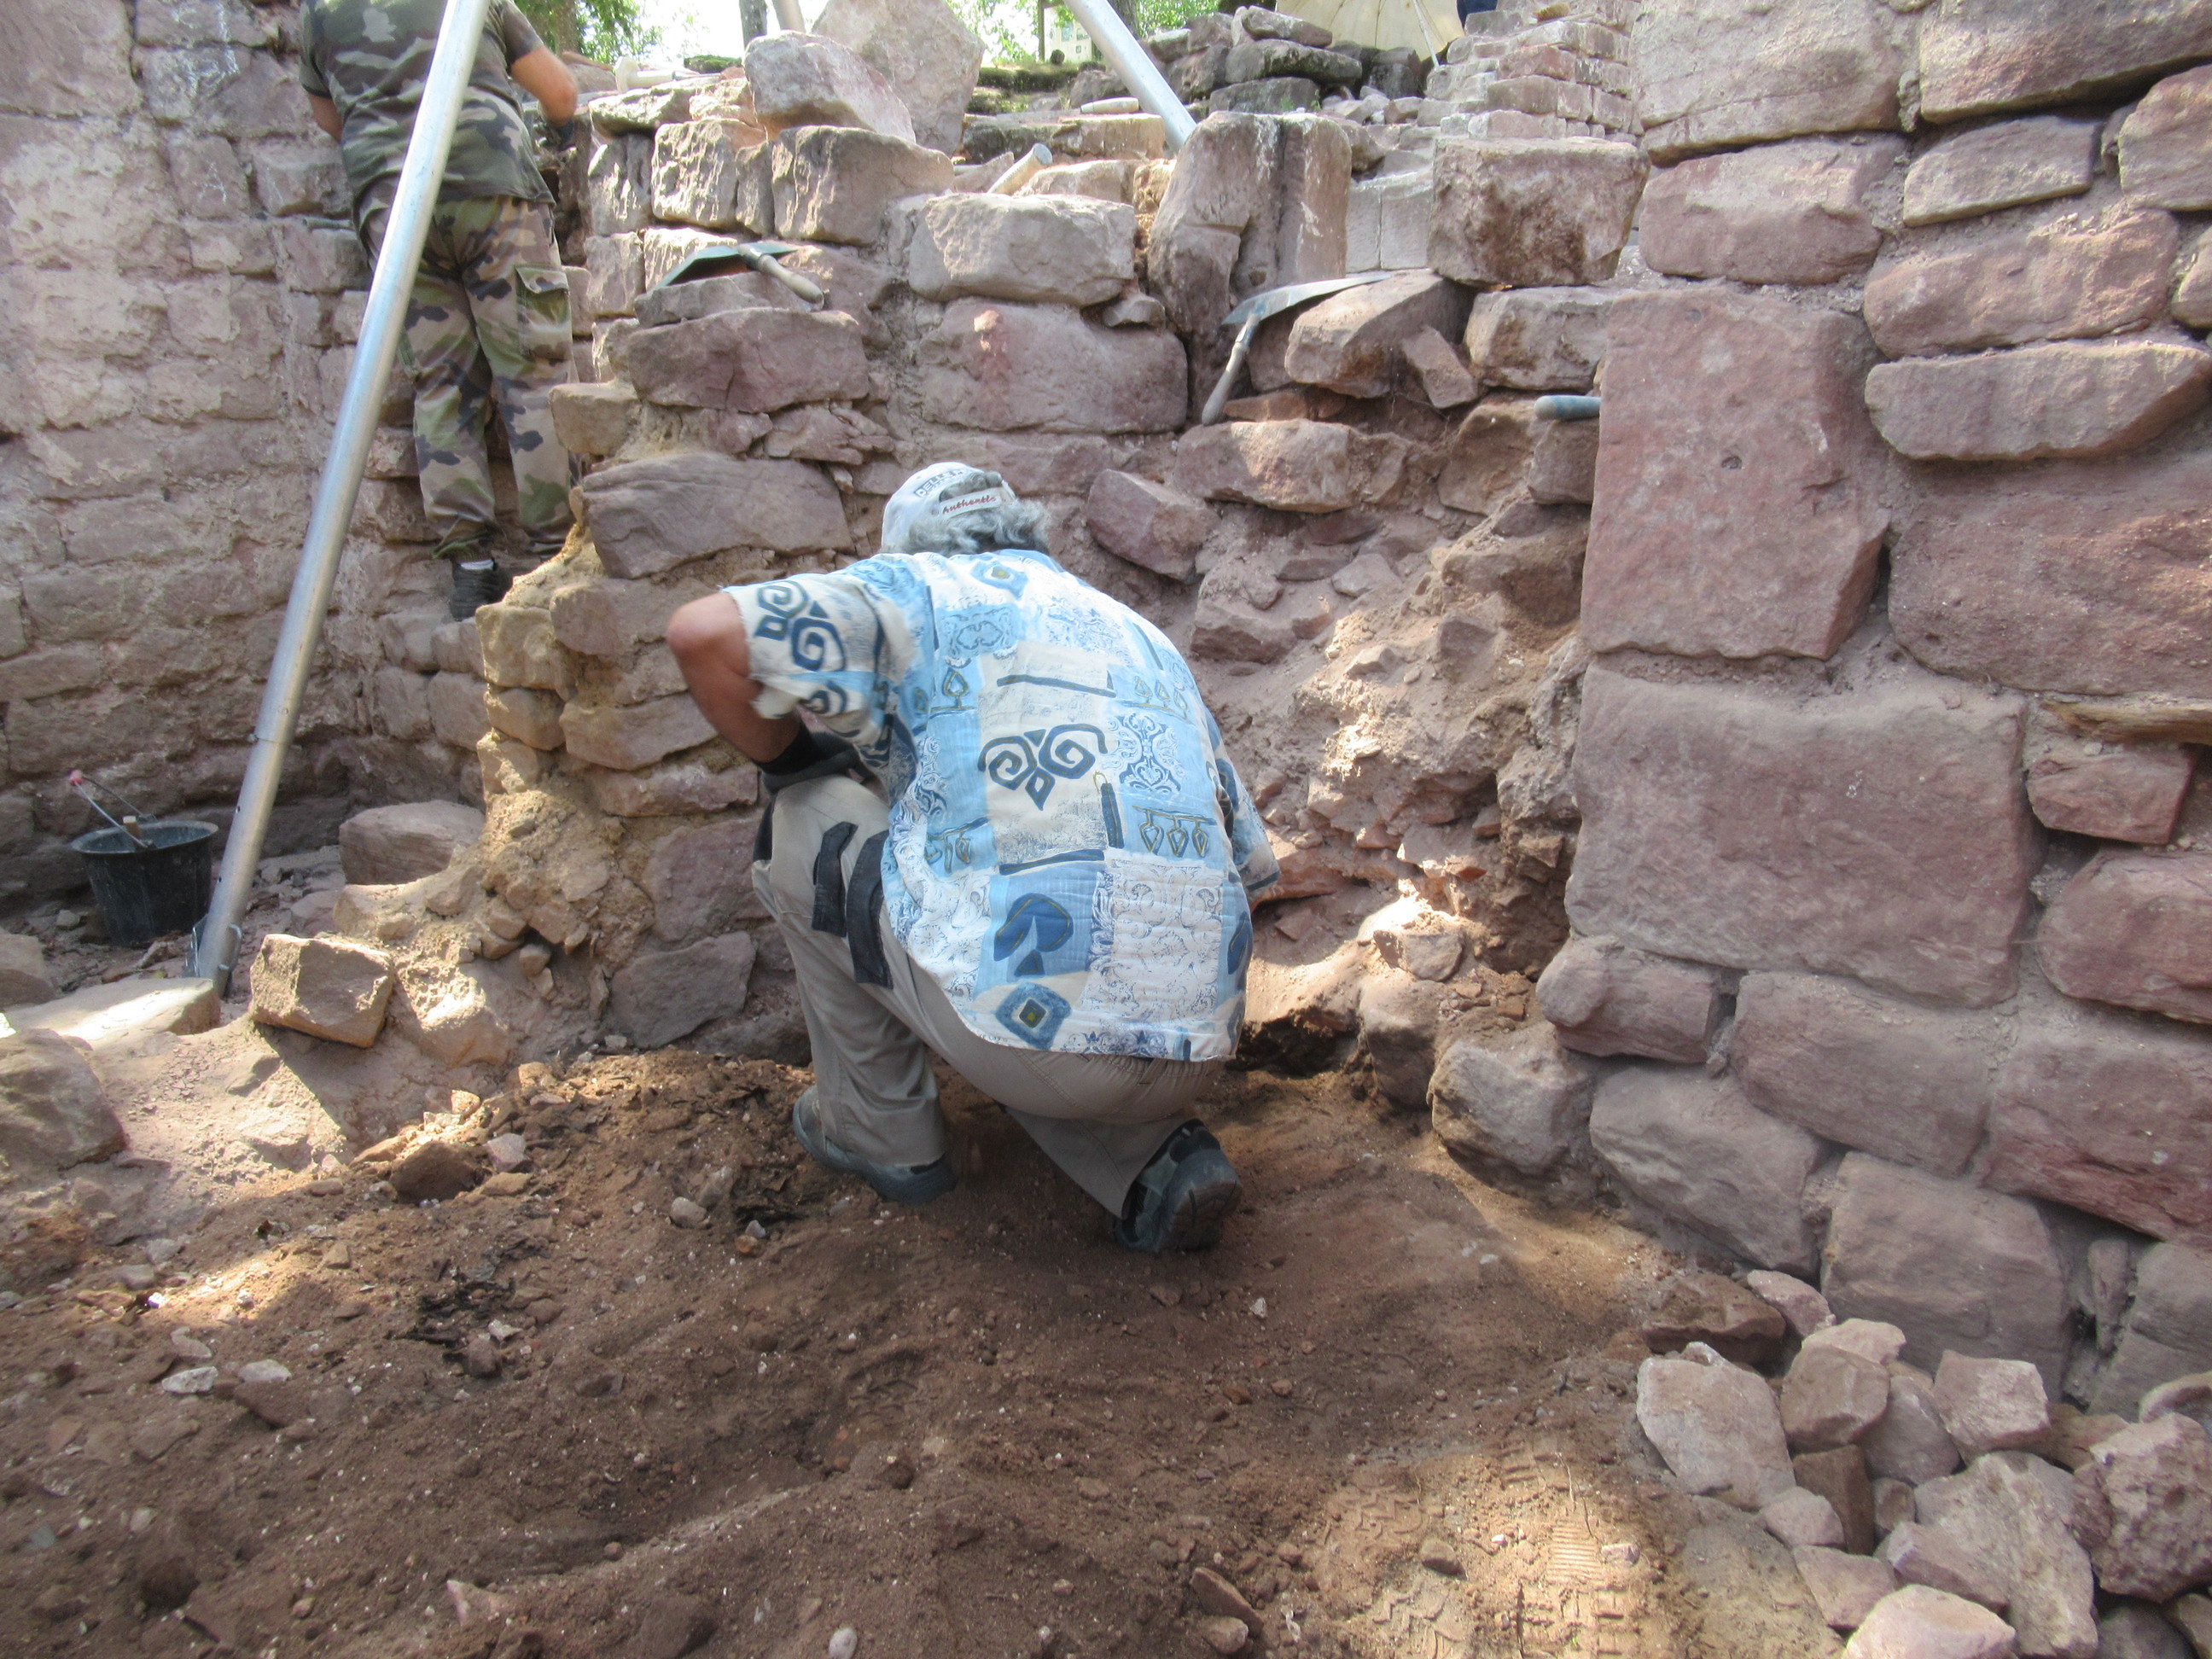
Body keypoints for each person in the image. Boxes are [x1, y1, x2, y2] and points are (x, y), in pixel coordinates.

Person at [666, 465, 1279, 1252]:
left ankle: (881, 1132)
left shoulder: (911, 589)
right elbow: (1251, 869)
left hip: (1040, 1045)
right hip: (1204, 1041)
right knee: (1029, 971)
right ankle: (1150, 1158)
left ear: (908, 549)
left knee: (808, 817)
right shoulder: (1137, 632)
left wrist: (795, 762)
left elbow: (703, 635)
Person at [299, 0, 580, 619]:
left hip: (397, 210)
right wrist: (561, 138)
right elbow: (559, 92)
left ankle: (471, 572)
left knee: (442, 386)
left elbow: (332, 120)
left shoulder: (320, 12)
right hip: (491, 186)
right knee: (533, 374)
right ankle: (554, 559)